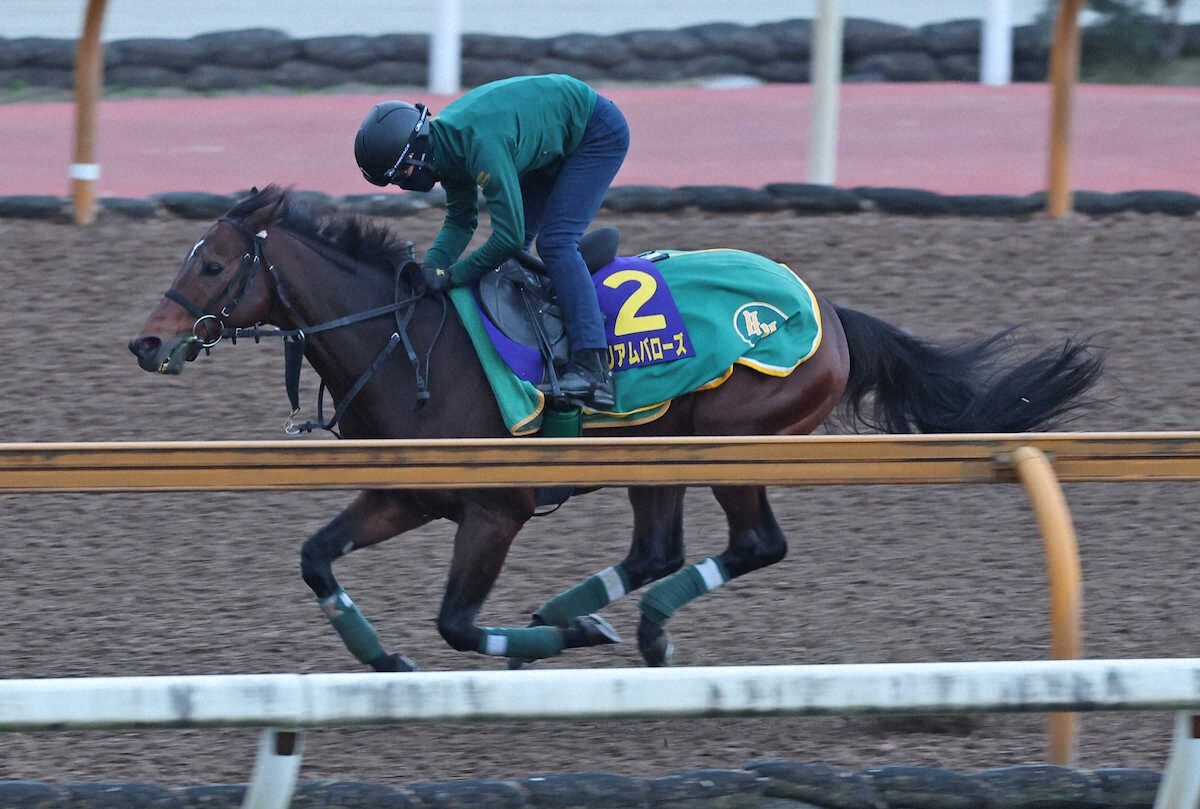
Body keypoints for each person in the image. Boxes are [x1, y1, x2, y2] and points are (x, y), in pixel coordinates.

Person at [354, 74, 629, 412]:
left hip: (595, 132)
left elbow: (507, 236)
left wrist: (453, 276)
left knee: (556, 242)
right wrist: (429, 270)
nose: (404, 186)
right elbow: (461, 220)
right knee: (516, 255)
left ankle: (594, 370)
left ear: (417, 154)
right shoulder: (444, 146)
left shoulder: (479, 146)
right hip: (547, 138)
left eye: (402, 177)